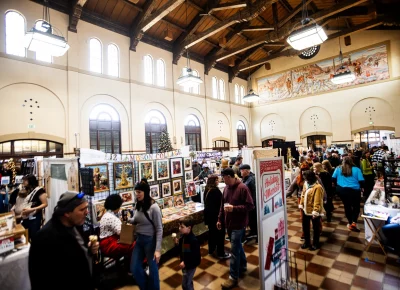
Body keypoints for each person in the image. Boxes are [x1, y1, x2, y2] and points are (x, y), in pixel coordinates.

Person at [29, 191, 99, 290]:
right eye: (82, 209)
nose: (87, 212)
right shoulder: (45, 238)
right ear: (67, 213)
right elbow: (41, 279)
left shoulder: (76, 225)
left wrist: (88, 251)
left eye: (86, 208)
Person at [217, 168, 254, 289]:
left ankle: (233, 277)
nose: (223, 180)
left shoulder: (243, 188)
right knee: (237, 246)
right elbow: (222, 206)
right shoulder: (226, 188)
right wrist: (219, 219)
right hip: (229, 224)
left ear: (229, 176)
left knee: (234, 250)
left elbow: (250, 206)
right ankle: (242, 266)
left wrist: (235, 208)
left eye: (224, 178)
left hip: (239, 224)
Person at [129, 178, 163, 290]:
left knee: (153, 270)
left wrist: (157, 250)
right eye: (136, 192)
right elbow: (136, 219)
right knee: (134, 268)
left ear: (145, 192)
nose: (137, 194)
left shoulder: (154, 207)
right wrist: (127, 220)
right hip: (139, 240)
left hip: (150, 241)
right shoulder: (138, 205)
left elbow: (159, 228)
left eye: (139, 192)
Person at [99, 194, 134, 272]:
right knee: (134, 245)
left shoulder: (106, 214)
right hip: (109, 244)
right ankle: (132, 269)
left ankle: (129, 267)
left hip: (105, 242)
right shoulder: (111, 217)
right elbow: (122, 233)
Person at [332, 157, 364, 232]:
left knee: (347, 206)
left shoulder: (338, 168)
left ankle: (349, 222)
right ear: (351, 161)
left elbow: (333, 179)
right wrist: (362, 187)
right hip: (354, 190)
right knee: (356, 206)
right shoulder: (357, 169)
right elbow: (362, 181)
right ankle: (354, 222)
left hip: (342, 190)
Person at [203, 175, 230, 259]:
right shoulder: (215, 191)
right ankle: (220, 253)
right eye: (217, 180)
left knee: (211, 233)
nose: (218, 181)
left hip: (209, 217)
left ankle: (211, 250)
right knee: (220, 235)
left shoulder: (207, 189)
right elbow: (220, 204)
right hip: (216, 217)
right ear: (214, 181)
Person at [173, 216, 201, 290]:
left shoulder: (193, 240)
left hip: (190, 266)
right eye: (179, 226)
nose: (179, 228)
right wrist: (177, 244)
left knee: (186, 285)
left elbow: (195, 257)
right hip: (185, 265)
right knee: (186, 283)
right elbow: (184, 251)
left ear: (189, 228)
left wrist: (186, 262)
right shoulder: (184, 237)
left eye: (182, 227)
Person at [299, 171, 324, 250]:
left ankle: (315, 243)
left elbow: (318, 201)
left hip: (314, 211)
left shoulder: (318, 187)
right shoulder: (306, 184)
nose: (305, 179)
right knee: (305, 227)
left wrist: (315, 212)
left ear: (310, 178)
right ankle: (307, 242)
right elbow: (303, 194)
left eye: (306, 178)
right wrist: (301, 204)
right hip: (305, 210)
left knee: (316, 228)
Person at [21, 174, 48, 241]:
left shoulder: (39, 190)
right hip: (26, 217)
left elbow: (45, 204)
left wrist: (31, 209)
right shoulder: (28, 190)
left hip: (35, 217)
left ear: (30, 180)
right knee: (26, 235)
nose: (24, 182)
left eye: (25, 180)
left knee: (34, 236)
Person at [240, 164, 257, 242]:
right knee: (250, 218)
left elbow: (254, 192)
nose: (241, 172)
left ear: (247, 171)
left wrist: (252, 203)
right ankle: (253, 231)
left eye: (242, 170)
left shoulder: (251, 178)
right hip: (248, 202)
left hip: (252, 203)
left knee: (253, 218)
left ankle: (255, 233)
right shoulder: (246, 178)